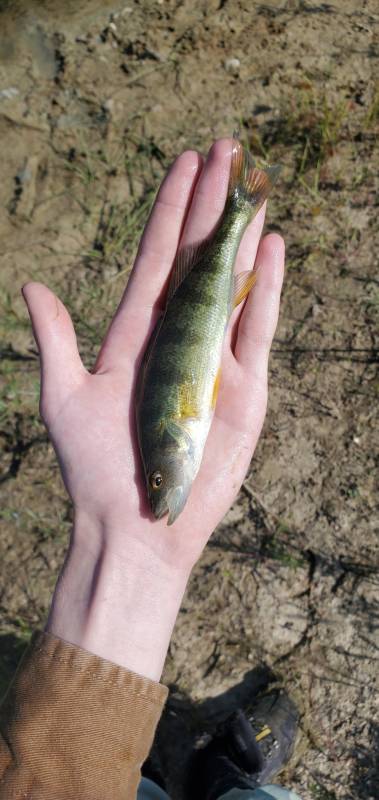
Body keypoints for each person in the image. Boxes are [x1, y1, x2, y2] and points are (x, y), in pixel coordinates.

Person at [0, 138, 301, 799]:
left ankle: (181, 781)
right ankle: (231, 784)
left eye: (157, 481)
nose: (159, 494)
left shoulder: (173, 442)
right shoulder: (170, 448)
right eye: (160, 484)